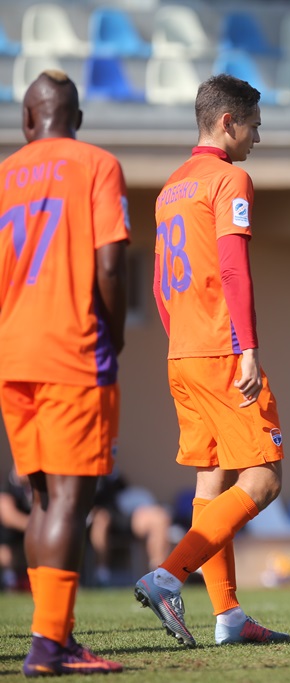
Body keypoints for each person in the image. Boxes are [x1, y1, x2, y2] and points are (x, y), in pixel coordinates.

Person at [133, 74, 289, 648]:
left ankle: (228, 615)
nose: (256, 138)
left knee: (212, 476)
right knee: (265, 478)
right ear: (228, 122)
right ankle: (168, 575)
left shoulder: (170, 188)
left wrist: (185, 340)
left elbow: (158, 285)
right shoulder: (229, 179)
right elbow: (231, 268)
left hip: (183, 352)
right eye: (253, 126)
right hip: (222, 349)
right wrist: (246, 347)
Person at [0, 69, 129, 675]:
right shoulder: (96, 164)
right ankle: (49, 646)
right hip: (73, 350)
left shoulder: (4, 176)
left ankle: (55, 633)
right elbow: (112, 265)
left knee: (42, 498)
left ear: (29, 119)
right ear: (75, 118)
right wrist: (116, 335)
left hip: (14, 355)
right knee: (72, 501)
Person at [89, 470, 172, 586]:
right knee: (101, 518)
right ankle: (101, 575)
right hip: (93, 518)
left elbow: (121, 491)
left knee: (159, 517)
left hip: (120, 513)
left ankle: (158, 576)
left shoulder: (111, 473)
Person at [0, 470, 33, 591]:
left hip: (29, 539)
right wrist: (36, 527)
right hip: (10, 540)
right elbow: (8, 517)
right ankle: (9, 579)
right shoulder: (8, 486)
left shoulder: (37, 487)